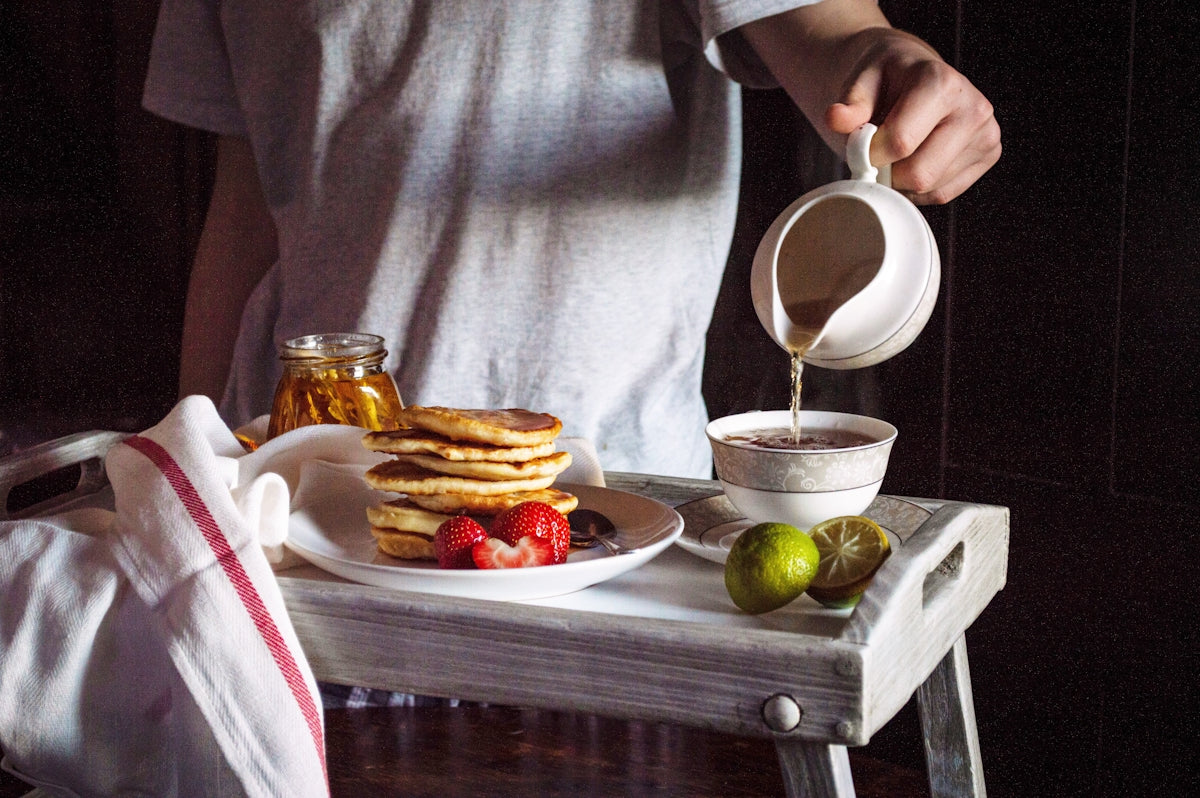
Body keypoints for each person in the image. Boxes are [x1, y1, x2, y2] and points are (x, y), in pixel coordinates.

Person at [144, 0, 999, 479]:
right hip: (300, 502)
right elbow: (245, 208)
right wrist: (182, 463)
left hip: (602, 509)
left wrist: (898, 67)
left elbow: (832, 34)